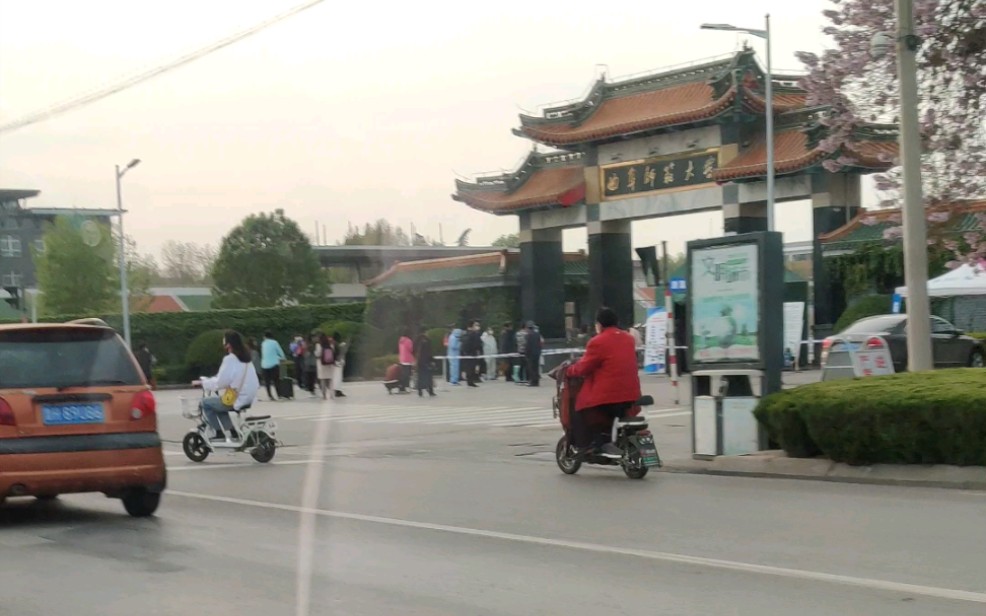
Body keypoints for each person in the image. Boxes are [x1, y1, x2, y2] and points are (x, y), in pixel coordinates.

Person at [566, 307, 641, 458]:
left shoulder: (597, 341)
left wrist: (569, 370)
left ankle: (595, 444)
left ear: (599, 324)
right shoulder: (628, 339)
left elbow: (583, 368)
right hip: (632, 394)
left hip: (609, 396)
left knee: (581, 407)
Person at [196, 330, 260, 443]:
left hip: (236, 399)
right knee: (219, 404)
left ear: (228, 344)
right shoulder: (246, 359)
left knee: (205, 403)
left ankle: (219, 432)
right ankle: (233, 431)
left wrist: (203, 382)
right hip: (248, 398)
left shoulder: (230, 359)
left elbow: (220, 382)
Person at [260, 331, 286, 401]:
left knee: (267, 382)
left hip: (264, 365)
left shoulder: (263, 343)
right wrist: (282, 358)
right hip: (274, 364)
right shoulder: (275, 342)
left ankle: (270, 395)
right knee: (276, 380)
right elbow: (281, 352)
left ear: (265, 337)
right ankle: (279, 395)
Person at [414, 327, 436, 397]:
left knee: (420, 377)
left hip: (419, 362)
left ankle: (420, 391)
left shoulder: (416, 340)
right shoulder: (427, 340)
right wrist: (432, 360)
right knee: (428, 377)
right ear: (425, 331)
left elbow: (413, 350)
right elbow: (429, 352)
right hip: (426, 361)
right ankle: (430, 391)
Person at [462, 320, 483, 387]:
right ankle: (471, 381)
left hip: (468, 353)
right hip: (472, 353)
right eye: (475, 325)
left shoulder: (466, 333)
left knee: (470, 368)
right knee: (471, 368)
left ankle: (470, 381)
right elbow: (476, 344)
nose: (476, 327)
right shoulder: (473, 334)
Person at [315, 332, 335, 400]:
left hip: (322, 364)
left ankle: (324, 395)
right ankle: (332, 394)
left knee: (323, 380)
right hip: (330, 364)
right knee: (330, 380)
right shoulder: (330, 345)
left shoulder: (318, 345)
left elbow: (317, 354)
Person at [525, 321, 543, 387]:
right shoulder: (537, 334)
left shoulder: (528, 335)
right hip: (537, 353)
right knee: (536, 368)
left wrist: (526, 353)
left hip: (531, 354)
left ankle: (532, 382)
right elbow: (540, 344)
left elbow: (528, 346)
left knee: (531, 368)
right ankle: (537, 381)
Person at [331, 331, 347, 398]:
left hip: (333, 363)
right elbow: (337, 353)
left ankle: (335, 390)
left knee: (335, 377)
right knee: (338, 377)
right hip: (337, 362)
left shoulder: (332, 343)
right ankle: (337, 390)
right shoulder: (336, 344)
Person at [398, 329, 414, 394]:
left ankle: (402, 386)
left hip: (402, 358)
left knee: (403, 374)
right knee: (407, 374)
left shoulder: (400, 340)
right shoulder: (408, 341)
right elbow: (411, 349)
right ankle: (406, 386)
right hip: (407, 359)